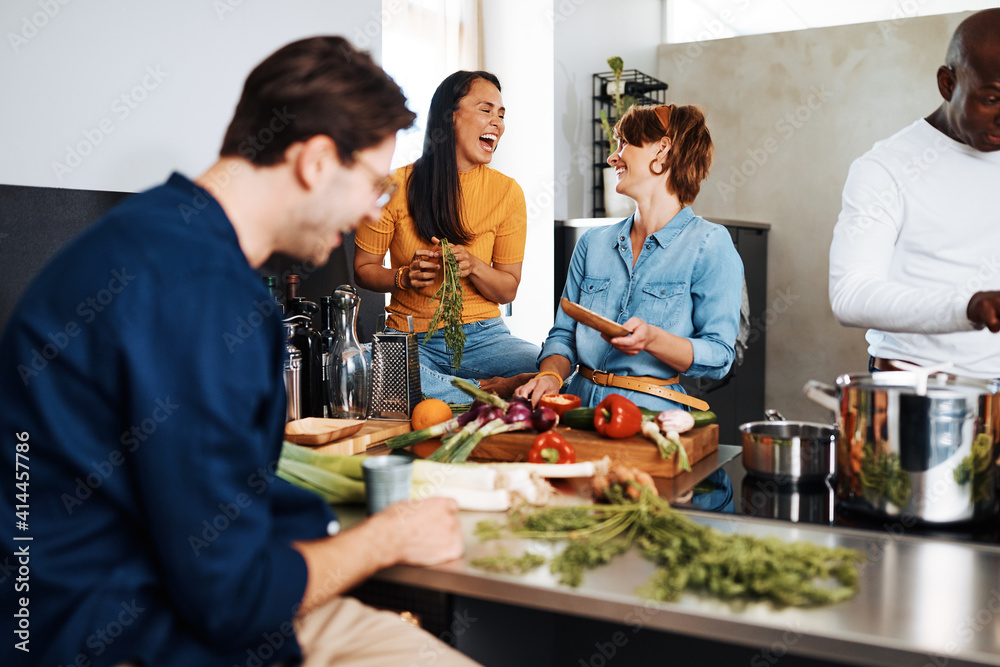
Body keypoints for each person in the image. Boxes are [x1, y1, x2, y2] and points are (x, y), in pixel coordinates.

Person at [0, 37, 477, 667]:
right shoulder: (202, 293)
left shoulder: (155, 230)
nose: (372, 209)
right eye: (373, 186)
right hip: (112, 635)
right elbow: (232, 599)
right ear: (313, 161)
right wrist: (389, 538)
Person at [516, 104, 743, 413]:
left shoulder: (710, 244)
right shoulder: (592, 243)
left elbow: (719, 356)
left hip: (651, 417)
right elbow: (564, 335)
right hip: (577, 409)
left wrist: (652, 339)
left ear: (662, 149)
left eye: (625, 143)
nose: (613, 157)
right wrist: (550, 376)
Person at [829, 8, 1000, 378]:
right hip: (916, 392)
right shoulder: (886, 167)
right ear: (948, 84)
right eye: (991, 98)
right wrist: (968, 307)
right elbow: (850, 296)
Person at [353, 70, 540, 404]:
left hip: (484, 339)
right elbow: (364, 267)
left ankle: (442, 392)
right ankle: (481, 391)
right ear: (450, 116)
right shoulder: (394, 186)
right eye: (486, 110)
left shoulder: (508, 193)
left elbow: (508, 287)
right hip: (409, 337)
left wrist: (475, 266)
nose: (497, 122)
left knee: (558, 371)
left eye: (501, 114)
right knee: (364, 364)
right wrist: (403, 277)